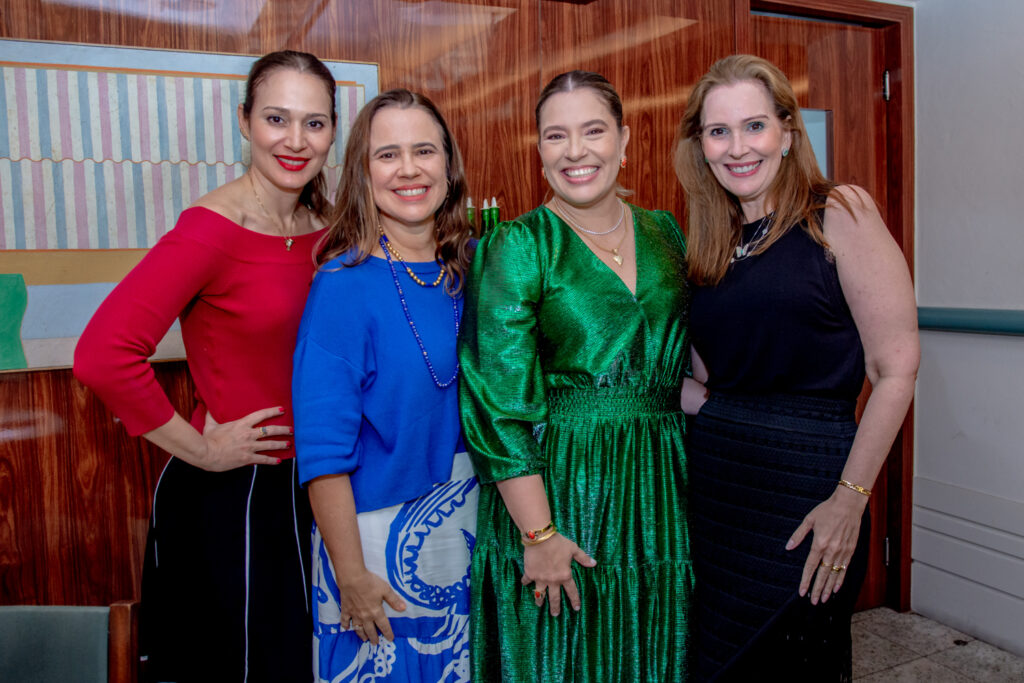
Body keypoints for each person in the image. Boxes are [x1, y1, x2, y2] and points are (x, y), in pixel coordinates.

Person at [73, 50, 337, 682]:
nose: (295, 140)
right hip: (242, 494)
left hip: (322, 484)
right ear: (245, 121)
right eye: (277, 118)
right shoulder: (210, 230)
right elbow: (102, 355)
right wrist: (202, 450)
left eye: (315, 123)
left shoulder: (324, 227)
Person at [674, 54, 920, 681]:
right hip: (721, 497)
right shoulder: (713, 240)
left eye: (754, 126)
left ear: (787, 131)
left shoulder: (839, 212)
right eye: (718, 132)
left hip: (811, 492)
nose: (737, 148)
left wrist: (850, 500)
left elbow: (896, 369)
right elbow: (715, 381)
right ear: (701, 146)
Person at [459, 70, 693, 681]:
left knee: (650, 646)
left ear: (625, 138)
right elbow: (496, 402)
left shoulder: (665, 231)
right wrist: (538, 535)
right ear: (539, 152)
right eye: (556, 136)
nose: (576, 151)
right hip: (563, 484)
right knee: (561, 656)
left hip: (659, 484)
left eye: (593, 131)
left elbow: (678, 366)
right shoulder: (518, 245)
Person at [292, 88, 476, 683]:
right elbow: (322, 452)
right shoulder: (342, 285)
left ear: (449, 165)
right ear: (362, 173)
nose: (409, 170)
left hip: (469, 533)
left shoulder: (476, 267)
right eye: (387, 154)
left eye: (424, 150)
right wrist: (350, 574)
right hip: (375, 546)